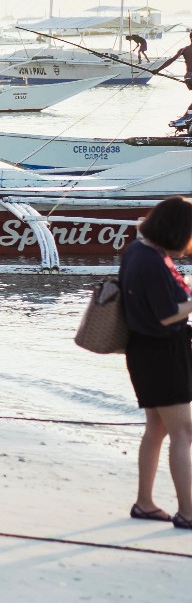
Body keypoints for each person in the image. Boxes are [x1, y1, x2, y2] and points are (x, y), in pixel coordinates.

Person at [120, 196, 192, 526]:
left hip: (146, 352)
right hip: (161, 353)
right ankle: (188, 511)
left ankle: (144, 503)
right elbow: (165, 315)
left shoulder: (139, 251)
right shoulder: (150, 261)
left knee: (157, 429)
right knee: (184, 433)